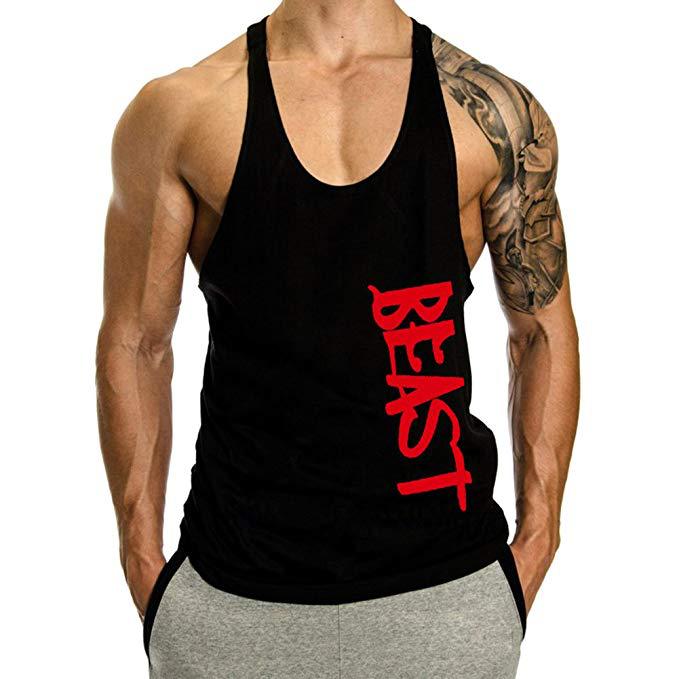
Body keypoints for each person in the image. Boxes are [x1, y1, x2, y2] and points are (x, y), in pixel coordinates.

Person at [96, 1, 579, 677]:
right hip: (231, 604)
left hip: (446, 602)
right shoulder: (180, 111)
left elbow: (539, 331)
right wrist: (143, 563)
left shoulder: (491, 116)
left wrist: (535, 544)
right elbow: (137, 342)